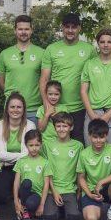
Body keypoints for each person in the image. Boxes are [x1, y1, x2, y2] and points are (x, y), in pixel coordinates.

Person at [40, 12, 95, 142]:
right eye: (67, 27)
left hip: (80, 108)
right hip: (57, 107)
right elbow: (44, 79)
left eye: (74, 27)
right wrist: (47, 104)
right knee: (55, 145)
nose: (70, 30)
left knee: (78, 144)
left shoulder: (89, 49)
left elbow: (94, 79)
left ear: (79, 28)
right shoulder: (51, 49)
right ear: (62, 28)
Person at [80, 28, 111, 153]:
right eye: (102, 42)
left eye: (109, 42)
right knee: (91, 153)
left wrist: (108, 115)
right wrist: (91, 114)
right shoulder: (89, 64)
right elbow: (83, 91)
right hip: (93, 113)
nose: (106, 45)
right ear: (98, 43)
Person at [76, 119, 111, 220]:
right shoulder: (84, 154)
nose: (98, 140)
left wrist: (101, 182)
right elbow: (81, 177)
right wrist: (89, 194)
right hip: (92, 191)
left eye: (102, 137)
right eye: (95, 137)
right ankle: (100, 206)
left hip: (106, 188)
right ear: (89, 136)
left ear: (106, 136)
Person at [0, 15, 45, 124]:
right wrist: (11, 95)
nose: (23, 32)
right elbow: (0, 80)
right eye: (20, 29)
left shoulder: (42, 53)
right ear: (15, 31)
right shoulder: (5, 54)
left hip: (34, 109)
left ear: (31, 30)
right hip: (11, 109)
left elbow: (46, 79)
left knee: (34, 141)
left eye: (27, 29)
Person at [0, 92, 37, 206]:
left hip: (24, 166)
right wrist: (21, 155)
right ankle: (12, 194)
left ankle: (20, 198)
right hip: (6, 168)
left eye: (19, 107)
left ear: (23, 109)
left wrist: (9, 158)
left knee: (28, 188)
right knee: (0, 196)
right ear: (7, 109)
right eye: (12, 107)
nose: (15, 110)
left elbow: (29, 152)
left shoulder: (30, 125)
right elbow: (0, 154)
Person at [41, 113, 84, 220]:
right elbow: (46, 171)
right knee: (50, 219)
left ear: (71, 127)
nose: (61, 129)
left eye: (65, 126)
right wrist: (54, 192)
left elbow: (80, 171)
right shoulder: (47, 145)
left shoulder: (78, 146)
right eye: (58, 126)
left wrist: (79, 192)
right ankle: (57, 208)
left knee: (74, 219)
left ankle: (66, 207)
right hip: (52, 189)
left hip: (69, 189)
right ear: (54, 128)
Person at [13, 129, 52, 220]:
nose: (34, 148)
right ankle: (23, 210)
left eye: (37, 145)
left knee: (31, 203)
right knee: (26, 182)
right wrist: (16, 202)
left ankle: (28, 211)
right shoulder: (21, 161)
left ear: (41, 144)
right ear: (26, 145)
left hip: (36, 194)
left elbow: (46, 185)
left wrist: (42, 205)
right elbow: (16, 182)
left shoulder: (45, 162)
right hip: (24, 193)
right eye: (31, 145)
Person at [35, 80, 64, 146]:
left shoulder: (64, 108)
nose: (53, 97)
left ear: (60, 95)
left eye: (56, 94)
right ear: (46, 94)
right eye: (50, 94)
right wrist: (47, 114)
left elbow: (66, 127)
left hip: (60, 142)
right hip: (45, 142)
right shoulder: (41, 109)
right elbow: (40, 129)